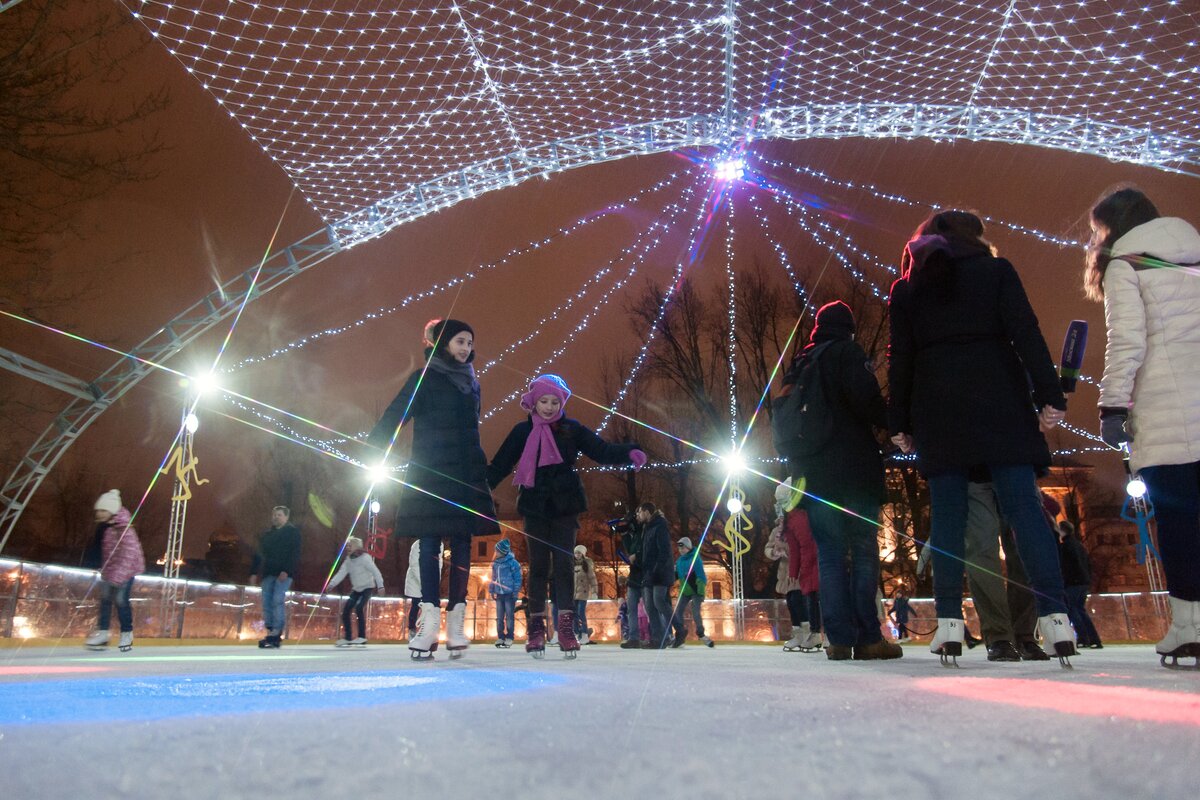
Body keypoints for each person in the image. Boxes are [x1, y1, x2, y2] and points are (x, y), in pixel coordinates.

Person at [888, 209, 1074, 665]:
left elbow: (901, 358)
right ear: (976, 238)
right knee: (1025, 511)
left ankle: (950, 623)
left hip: (939, 408)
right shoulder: (996, 272)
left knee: (949, 519)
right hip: (1000, 400)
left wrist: (900, 422)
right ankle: (1055, 619)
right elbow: (1026, 333)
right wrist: (1049, 394)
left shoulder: (908, 288)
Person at [1084, 186, 1200, 668]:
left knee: (1179, 520)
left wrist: (1112, 406)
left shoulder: (1126, 264)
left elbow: (1127, 342)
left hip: (1167, 412)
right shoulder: (1195, 253)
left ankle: (1189, 625)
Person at [369, 318, 500, 660]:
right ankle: (428, 623)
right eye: (460, 341)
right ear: (444, 343)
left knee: (462, 541)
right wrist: (375, 443)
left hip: (464, 471)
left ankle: (456, 622)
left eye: (469, 343)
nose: (466, 348)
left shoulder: (471, 383)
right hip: (429, 469)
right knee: (428, 542)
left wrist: (480, 468)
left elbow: (473, 428)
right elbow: (398, 412)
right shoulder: (423, 378)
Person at [487, 374, 645, 658]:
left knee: (563, 566)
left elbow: (601, 451)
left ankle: (566, 628)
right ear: (534, 402)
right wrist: (477, 485)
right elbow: (500, 464)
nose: (549, 407)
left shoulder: (571, 429)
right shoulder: (522, 432)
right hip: (534, 504)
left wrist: (629, 452)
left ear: (562, 404)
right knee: (538, 567)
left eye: (555, 402)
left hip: (565, 504)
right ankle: (536, 629)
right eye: (544, 401)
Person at [780, 301, 900, 661]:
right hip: (855, 471)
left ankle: (837, 639)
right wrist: (899, 424)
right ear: (848, 329)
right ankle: (868, 637)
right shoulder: (848, 353)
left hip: (815, 477)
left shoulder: (800, 364)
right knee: (863, 549)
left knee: (829, 555)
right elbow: (867, 401)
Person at [962, 475, 1048, 662]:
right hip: (974, 470)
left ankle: (1021, 633)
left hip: (1012, 469)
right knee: (982, 549)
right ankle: (999, 636)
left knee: (1024, 550)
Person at [85, 490, 145, 652]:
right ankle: (103, 634)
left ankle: (126, 633)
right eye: (98, 510)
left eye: (103, 510)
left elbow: (130, 553)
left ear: (112, 511)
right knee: (105, 599)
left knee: (120, 600)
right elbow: (99, 551)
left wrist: (119, 576)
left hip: (127, 571)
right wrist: (97, 565)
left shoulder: (124, 529)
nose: (99, 513)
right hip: (110, 570)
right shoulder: (105, 528)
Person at [768, 480, 823, 652]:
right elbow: (793, 548)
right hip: (793, 570)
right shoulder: (786, 525)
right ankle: (807, 633)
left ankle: (818, 633)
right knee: (795, 600)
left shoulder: (800, 517)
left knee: (810, 598)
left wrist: (802, 566)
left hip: (810, 564)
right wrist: (791, 569)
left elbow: (806, 545)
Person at [250, 505, 301, 649]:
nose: (276, 517)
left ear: (286, 517)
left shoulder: (292, 533)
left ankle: (277, 631)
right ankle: (271, 630)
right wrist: (253, 572)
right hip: (268, 573)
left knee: (277, 600)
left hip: (283, 574)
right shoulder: (267, 535)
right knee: (267, 602)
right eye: (274, 515)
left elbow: (294, 553)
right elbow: (259, 553)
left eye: (279, 515)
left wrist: (286, 570)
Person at [328, 536, 384, 646]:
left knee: (359, 608)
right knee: (346, 611)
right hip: (356, 589)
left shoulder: (365, 558)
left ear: (357, 547)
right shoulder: (348, 560)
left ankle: (362, 637)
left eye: (350, 546)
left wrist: (381, 586)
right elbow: (341, 573)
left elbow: (375, 572)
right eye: (347, 546)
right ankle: (348, 638)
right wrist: (332, 584)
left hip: (367, 587)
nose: (347, 548)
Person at [1057, 520, 1102, 649]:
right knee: (1080, 609)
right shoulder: (1079, 546)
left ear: (1062, 531)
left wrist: (1065, 580)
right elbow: (1087, 564)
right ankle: (1093, 638)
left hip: (1073, 582)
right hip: (1083, 582)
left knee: (1073, 609)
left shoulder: (1066, 546)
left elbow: (1067, 566)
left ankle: (1083, 638)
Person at [670, 537, 714, 648]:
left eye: (683, 548)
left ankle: (700, 632)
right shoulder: (679, 561)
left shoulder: (695, 559)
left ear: (688, 547)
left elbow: (701, 575)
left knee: (695, 612)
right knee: (678, 611)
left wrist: (700, 591)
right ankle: (680, 634)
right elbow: (676, 575)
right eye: (679, 548)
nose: (681, 550)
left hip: (695, 590)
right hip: (685, 590)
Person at [490, 538, 522, 647]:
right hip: (499, 593)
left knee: (509, 616)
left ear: (503, 551)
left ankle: (509, 636)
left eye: (497, 551)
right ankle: (500, 637)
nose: (495, 553)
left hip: (509, 594)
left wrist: (515, 591)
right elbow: (493, 578)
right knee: (499, 617)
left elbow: (517, 578)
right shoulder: (495, 564)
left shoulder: (513, 563)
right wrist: (492, 589)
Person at [572, 544, 598, 644]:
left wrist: (595, 592)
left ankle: (584, 633)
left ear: (583, 554)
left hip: (583, 593)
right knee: (574, 614)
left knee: (580, 613)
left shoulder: (587, 565)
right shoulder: (572, 565)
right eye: (576, 553)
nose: (577, 555)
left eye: (579, 553)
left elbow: (593, 579)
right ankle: (576, 632)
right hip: (574, 594)